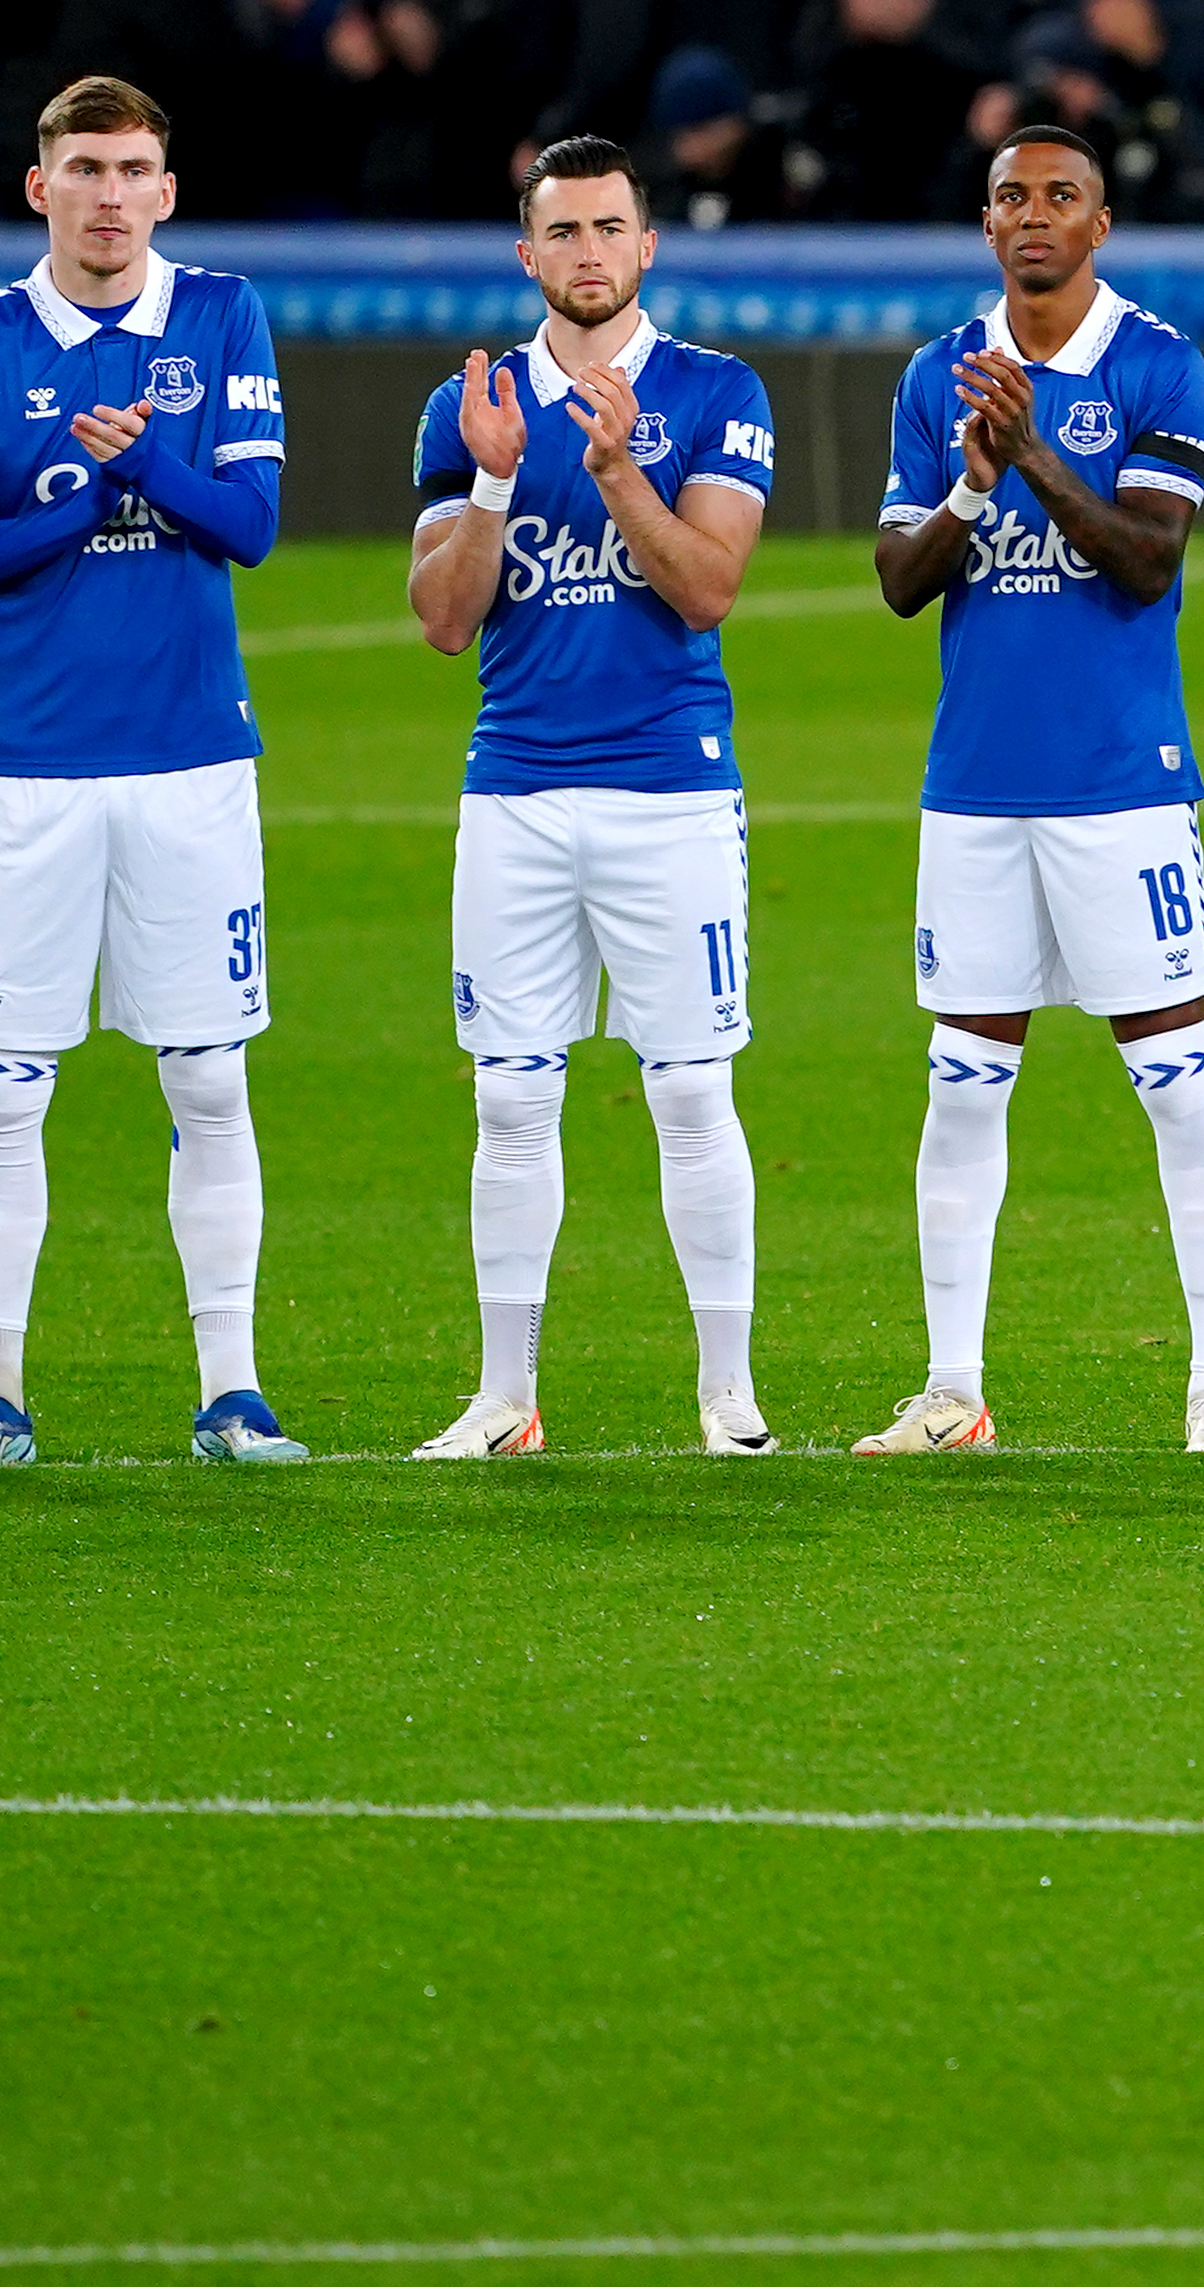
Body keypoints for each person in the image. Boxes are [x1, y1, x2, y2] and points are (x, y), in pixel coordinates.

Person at [0, 78, 305, 1471]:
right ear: (40, 189)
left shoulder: (220, 314)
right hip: (31, 773)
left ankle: (233, 1389)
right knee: (6, 1087)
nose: (113, 194)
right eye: (87, 168)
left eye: (136, 168)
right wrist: (86, 494)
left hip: (194, 762)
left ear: (168, 192)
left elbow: (249, 524)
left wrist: (141, 474)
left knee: (207, 1080)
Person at [860, 127, 1204, 1455]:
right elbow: (903, 583)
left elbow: (1148, 559)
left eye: (1061, 197)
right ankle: (952, 1390)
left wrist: (1028, 456)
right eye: (1013, 198)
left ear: (1100, 223)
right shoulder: (936, 377)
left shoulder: (1158, 363)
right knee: (964, 1087)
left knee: (1175, 1080)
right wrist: (972, 476)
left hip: (1118, 784)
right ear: (987, 227)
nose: (1035, 217)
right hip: (977, 787)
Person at [398, 140, 781, 1460]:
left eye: (611, 229)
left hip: (670, 792)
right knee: (510, 1097)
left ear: (649, 245)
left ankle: (727, 1396)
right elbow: (446, 623)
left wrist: (617, 471)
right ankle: (506, 1399)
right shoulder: (468, 407)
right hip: (515, 790)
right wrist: (497, 477)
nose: (589, 254)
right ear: (528, 256)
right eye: (563, 233)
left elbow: (708, 591)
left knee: (689, 1090)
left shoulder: (718, 393)